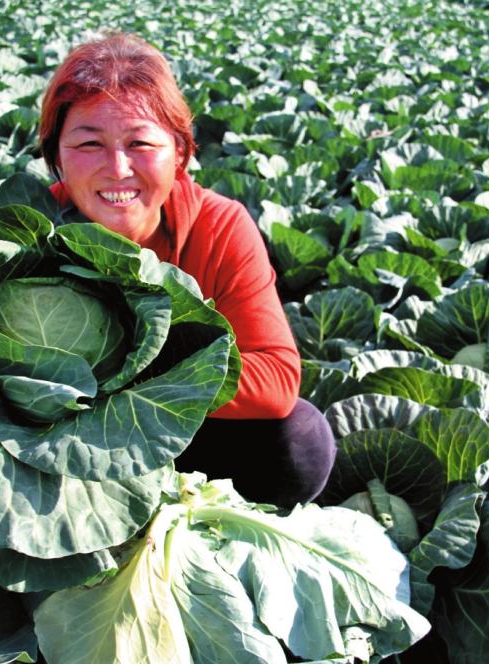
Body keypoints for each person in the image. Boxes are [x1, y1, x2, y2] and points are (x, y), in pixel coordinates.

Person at [38, 33, 336, 508]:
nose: (117, 168)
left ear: (179, 154)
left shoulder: (219, 227)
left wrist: (129, 376)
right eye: (89, 143)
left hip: (177, 432)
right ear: (56, 155)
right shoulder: (26, 230)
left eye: (140, 142)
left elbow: (277, 377)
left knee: (300, 441)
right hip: (52, 438)